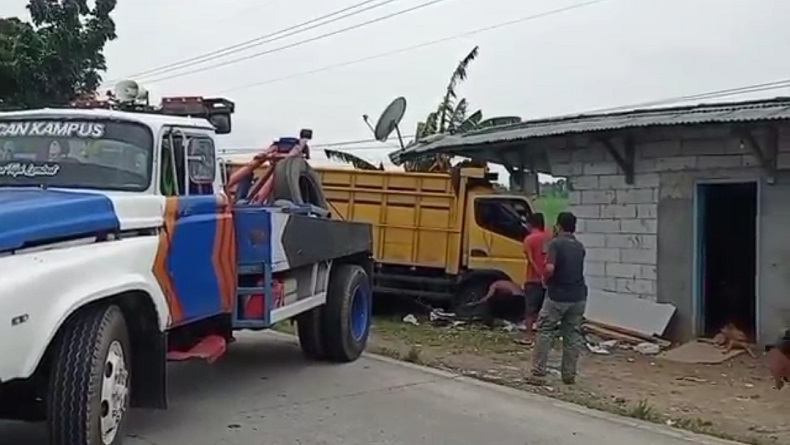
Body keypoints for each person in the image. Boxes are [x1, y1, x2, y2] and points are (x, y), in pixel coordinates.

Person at [531, 211, 587, 384]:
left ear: (559, 225)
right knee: (572, 335)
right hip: (578, 297)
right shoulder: (579, 246)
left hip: (557, 296)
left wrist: (544, 279)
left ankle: (538, 373)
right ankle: (569, 375)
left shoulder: (556, 244)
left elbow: (549, 268)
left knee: (545, 330)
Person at [522, 212, 550, 341]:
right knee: (544, 309)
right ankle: (541, 336)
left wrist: (539, 274)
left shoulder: (529, 239)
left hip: (533, 279)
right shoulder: (549, 237)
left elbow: (531, 259)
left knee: (530, 310)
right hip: (549, 278)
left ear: (530, 224)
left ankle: (528, 336)